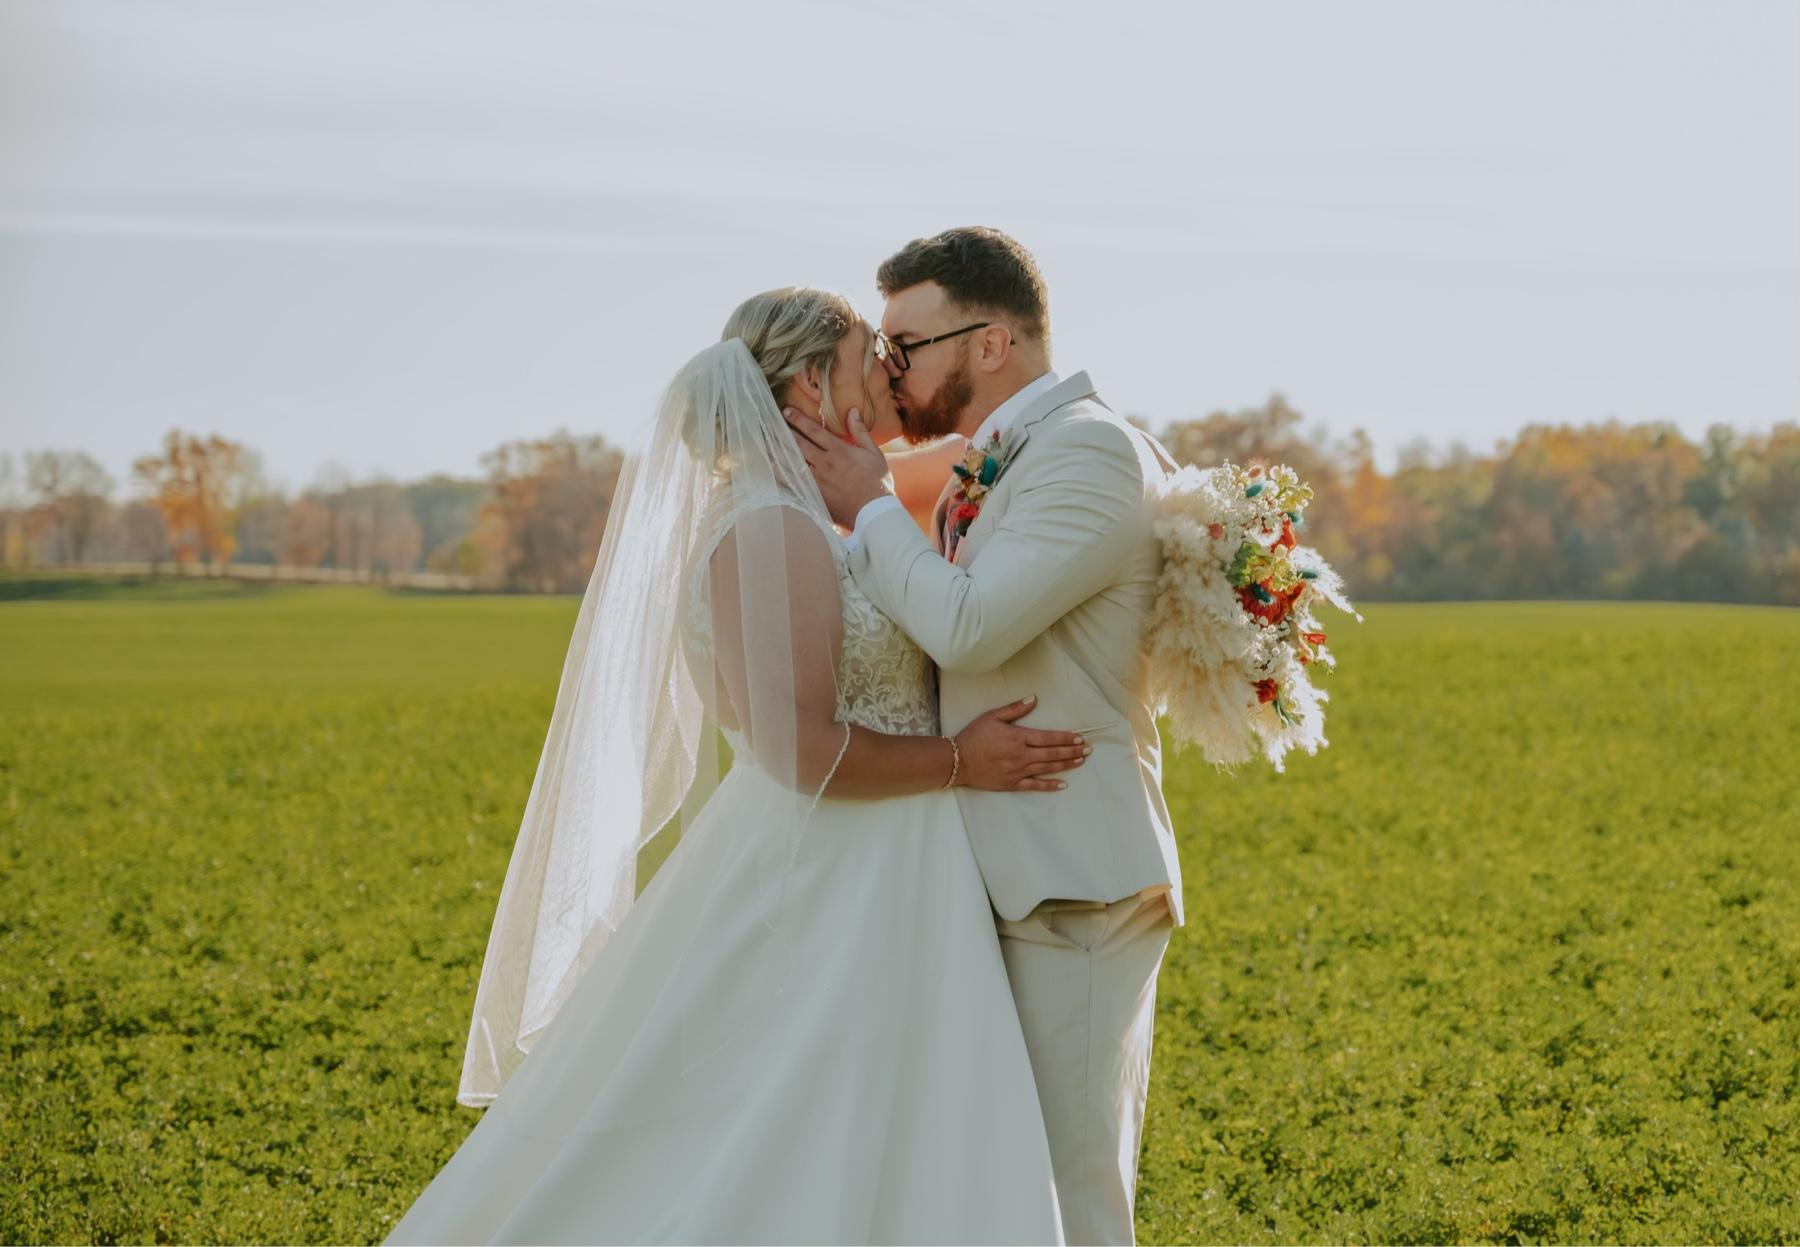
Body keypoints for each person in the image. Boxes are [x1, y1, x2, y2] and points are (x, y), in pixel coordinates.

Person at [386, 287, 1091, 1245]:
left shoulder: (811, 519)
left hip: (893, 858)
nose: (888, 374)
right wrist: (962, 759)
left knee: (874, 1120)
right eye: (867, 356)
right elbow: (802, 746)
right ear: (810, 385)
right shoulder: (772, 525)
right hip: (845, 867)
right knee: (799, 1124)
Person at [786, 226, 1185, 1246]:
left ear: (992, 343)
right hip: (989, 873)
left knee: (1070, 1192)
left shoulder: (1088, 449)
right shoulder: (1001, 459)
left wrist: (869, 506)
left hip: (1069, 875)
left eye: (907, 345)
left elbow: (969, 626)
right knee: (991, 1192)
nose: (890, 369)